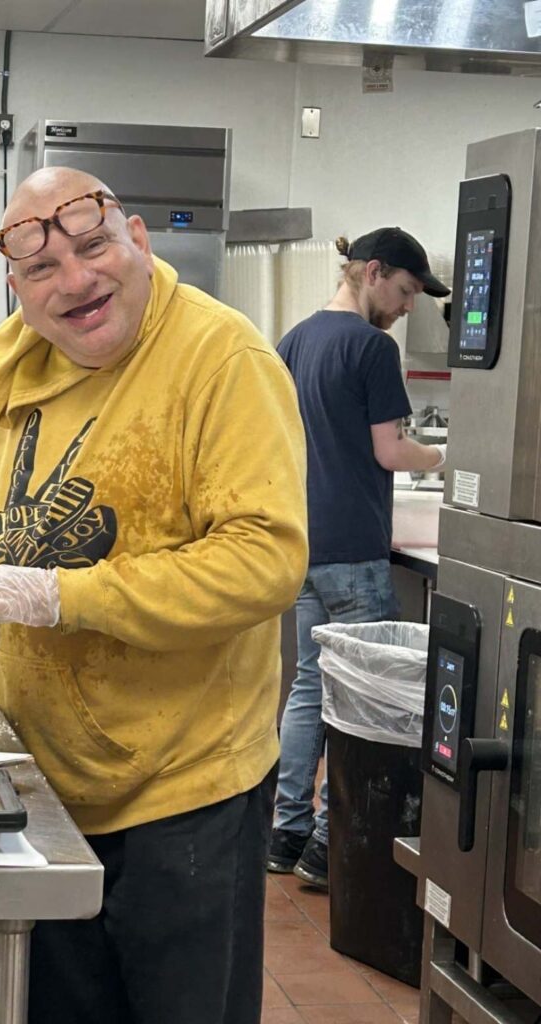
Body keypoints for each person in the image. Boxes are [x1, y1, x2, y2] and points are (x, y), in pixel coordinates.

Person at [0, 166, 308, 1024]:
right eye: (43, 270)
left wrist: (64, 596)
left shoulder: (220, 358)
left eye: (93, 248)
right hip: (44, 781)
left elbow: (263, 560)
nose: (76, 282)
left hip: (184, 790)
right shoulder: (23, 354)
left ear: (139, 243)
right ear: (17, 287)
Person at [267, 227, 449, 891]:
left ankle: (285, 834)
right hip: (354, 554)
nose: (406, 308)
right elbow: (391, 452)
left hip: (304, 546)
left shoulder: (295, 341)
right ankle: (328, 846)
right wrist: (446, 460)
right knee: (363, 703)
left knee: (310, 686)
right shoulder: (372, 349)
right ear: (373, 272)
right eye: (404, 292)